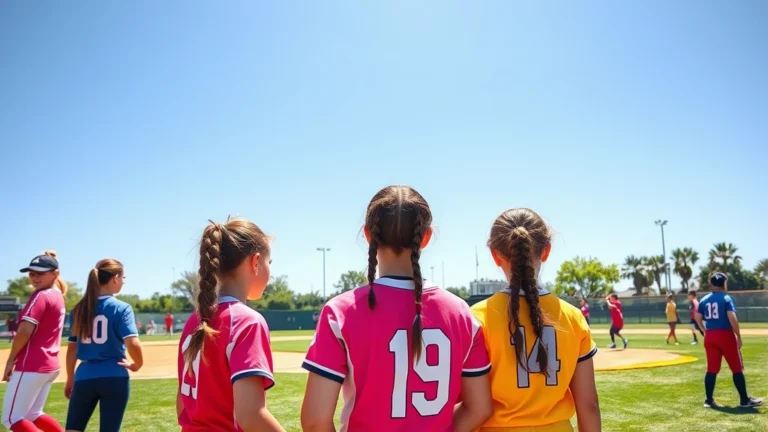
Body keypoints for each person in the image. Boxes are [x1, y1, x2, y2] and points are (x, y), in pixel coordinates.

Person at [301, 186, 492, 432]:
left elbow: (315, 421)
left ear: (368, 234)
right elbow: (479, 408)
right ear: (426, 237)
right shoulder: (462, 314)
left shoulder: (340, 312)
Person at [471, 208, 601, 432]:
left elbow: (469, 403)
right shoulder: (572, 316)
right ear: (546, 251)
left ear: (495, 255)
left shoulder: (475, 317)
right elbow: (588, 404)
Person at [177, 218, 283, 431]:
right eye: (269, 263)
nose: (270, 271)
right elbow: (251, 416)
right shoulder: (247, 321)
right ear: (256, 262)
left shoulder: (195, 320)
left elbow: (182, 405)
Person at [64, 259, 144, 432]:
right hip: (114, 375)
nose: (123, 282)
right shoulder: (122, 308)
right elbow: (133, 343)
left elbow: (72, 349)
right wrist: (137, 364)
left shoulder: (79, 309)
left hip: (84, 376)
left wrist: (70, 378)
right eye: (123, 277)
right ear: (115, 278)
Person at [1, 254, 66, 432]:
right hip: (49, 364)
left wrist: (11, 359)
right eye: (32, 274)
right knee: (33, 414)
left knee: (11, 419)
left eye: (41, 273)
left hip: (32, 364)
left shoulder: (41, 296)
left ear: (55, 274)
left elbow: (24, 330)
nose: (35, 278)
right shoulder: (57, 295)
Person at [695, 272, 762, 409]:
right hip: (725, 335)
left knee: (712, 369)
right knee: (736, 368)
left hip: (710, 335)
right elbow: (732, 317)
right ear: (724, 283)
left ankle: (708, 400)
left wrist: (704, 330)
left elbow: (697, 317)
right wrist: (738, 334)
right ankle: (744, 400)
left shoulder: (704, 299)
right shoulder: (726, 298)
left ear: (711, 283)